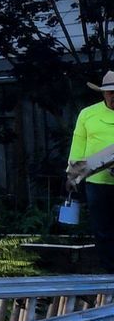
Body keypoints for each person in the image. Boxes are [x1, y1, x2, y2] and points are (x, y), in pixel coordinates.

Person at [68, 71, 114, 273]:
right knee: (102, 228)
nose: (113, 95)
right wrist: (72, 176)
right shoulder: (87, 114)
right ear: (103, 93)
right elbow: (78, 147)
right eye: (110, 92)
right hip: (96, 181)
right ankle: (109, 271)